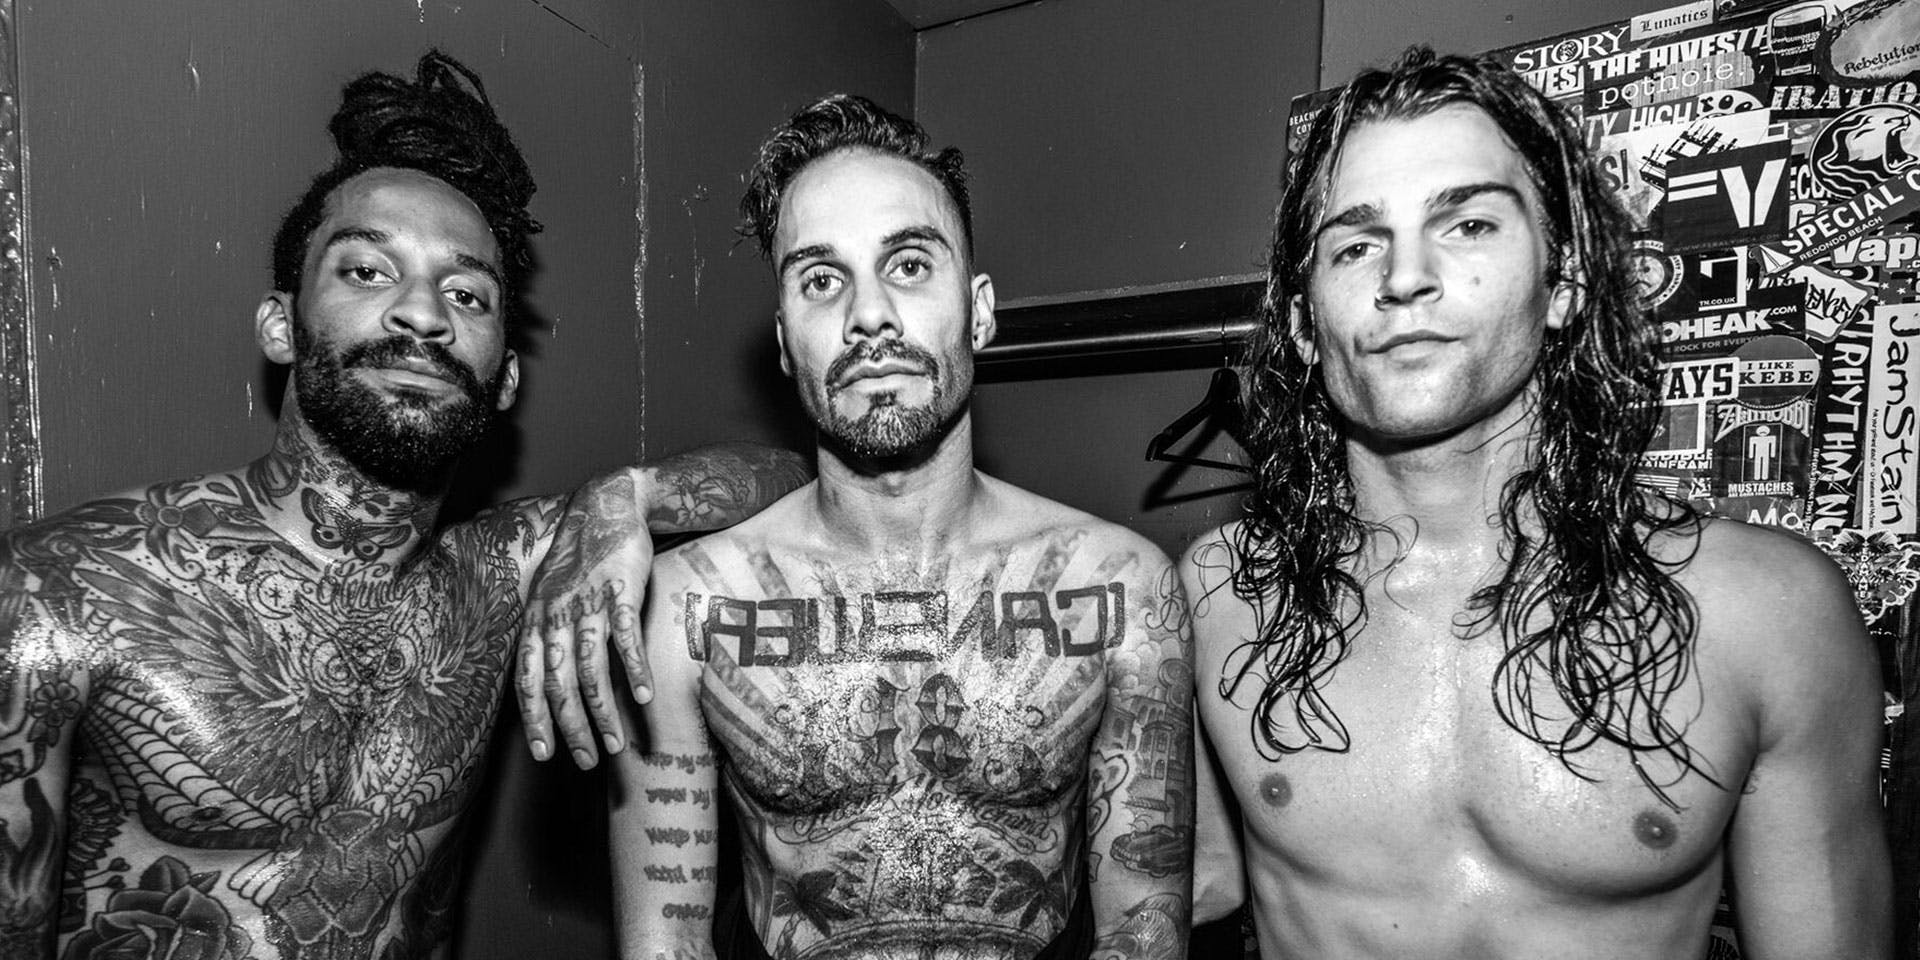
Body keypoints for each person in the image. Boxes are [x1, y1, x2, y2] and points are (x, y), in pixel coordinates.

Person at [0, 51, 804, 958]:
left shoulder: (497, 579)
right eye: (367, 271)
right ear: (280, 326)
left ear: (505, 378)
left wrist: (631, 497)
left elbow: (794, 478)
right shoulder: (62, 591)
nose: (423, 314)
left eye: (466, 293)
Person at [1181, 47, 1889, 958]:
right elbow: (1190, 883)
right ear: (1301, 323)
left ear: (1564, 284)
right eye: (1356, 244)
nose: (1405, 276)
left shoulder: (1766, 613)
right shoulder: (1218, 595)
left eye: (1468, 224)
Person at [586, 94, 1194, 960]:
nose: (868, 315)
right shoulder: (686, 608)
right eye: (821, 280)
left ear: (979, 311)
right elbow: (667, 945)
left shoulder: (1122, 587)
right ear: (786, 341)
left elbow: (1143, 930)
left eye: (908, 265)